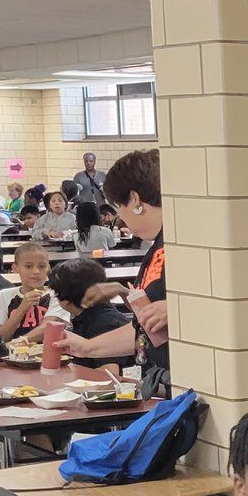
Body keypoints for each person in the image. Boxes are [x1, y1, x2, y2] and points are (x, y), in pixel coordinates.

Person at [81, 150, 169, 396]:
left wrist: (178, 309)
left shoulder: (188, 243)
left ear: (135, 199)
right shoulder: (156, 248)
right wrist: (85, 348)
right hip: (163, 385)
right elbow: (145, 328)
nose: (121, 215)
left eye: (120, 206)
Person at [51, 259, 138, 364]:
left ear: (65, 300)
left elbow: (109, 373)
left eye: (56, 293)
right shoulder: (91, 316)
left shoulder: (103, 323)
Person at [0, 241, 56, 341]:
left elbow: (48, 328)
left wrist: (17, 343)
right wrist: (22, 309)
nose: (36, 272)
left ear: (48, 268)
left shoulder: (57, 295)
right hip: (9, 355)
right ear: (15, 268)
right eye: (28, 266)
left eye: (42, 266)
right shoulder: (4, 295)